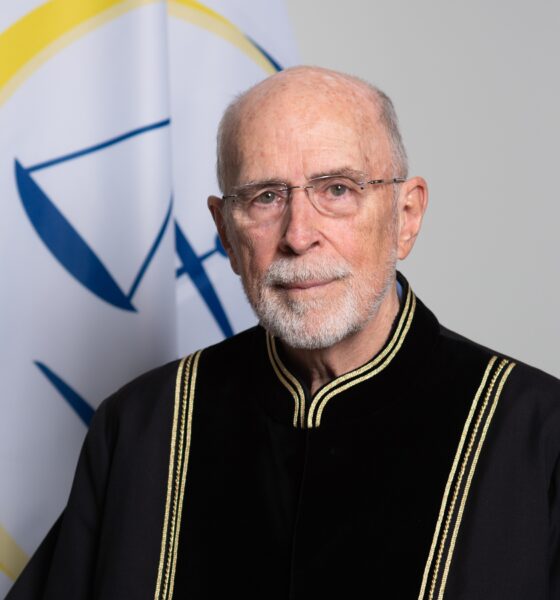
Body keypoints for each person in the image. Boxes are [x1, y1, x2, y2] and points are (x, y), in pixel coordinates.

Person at [8, 66, 560, 600]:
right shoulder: (140, 430)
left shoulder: (537, 434)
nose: (299, 235)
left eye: (337, 189)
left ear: (406, 216)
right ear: (225, 232)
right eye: (265, 197)